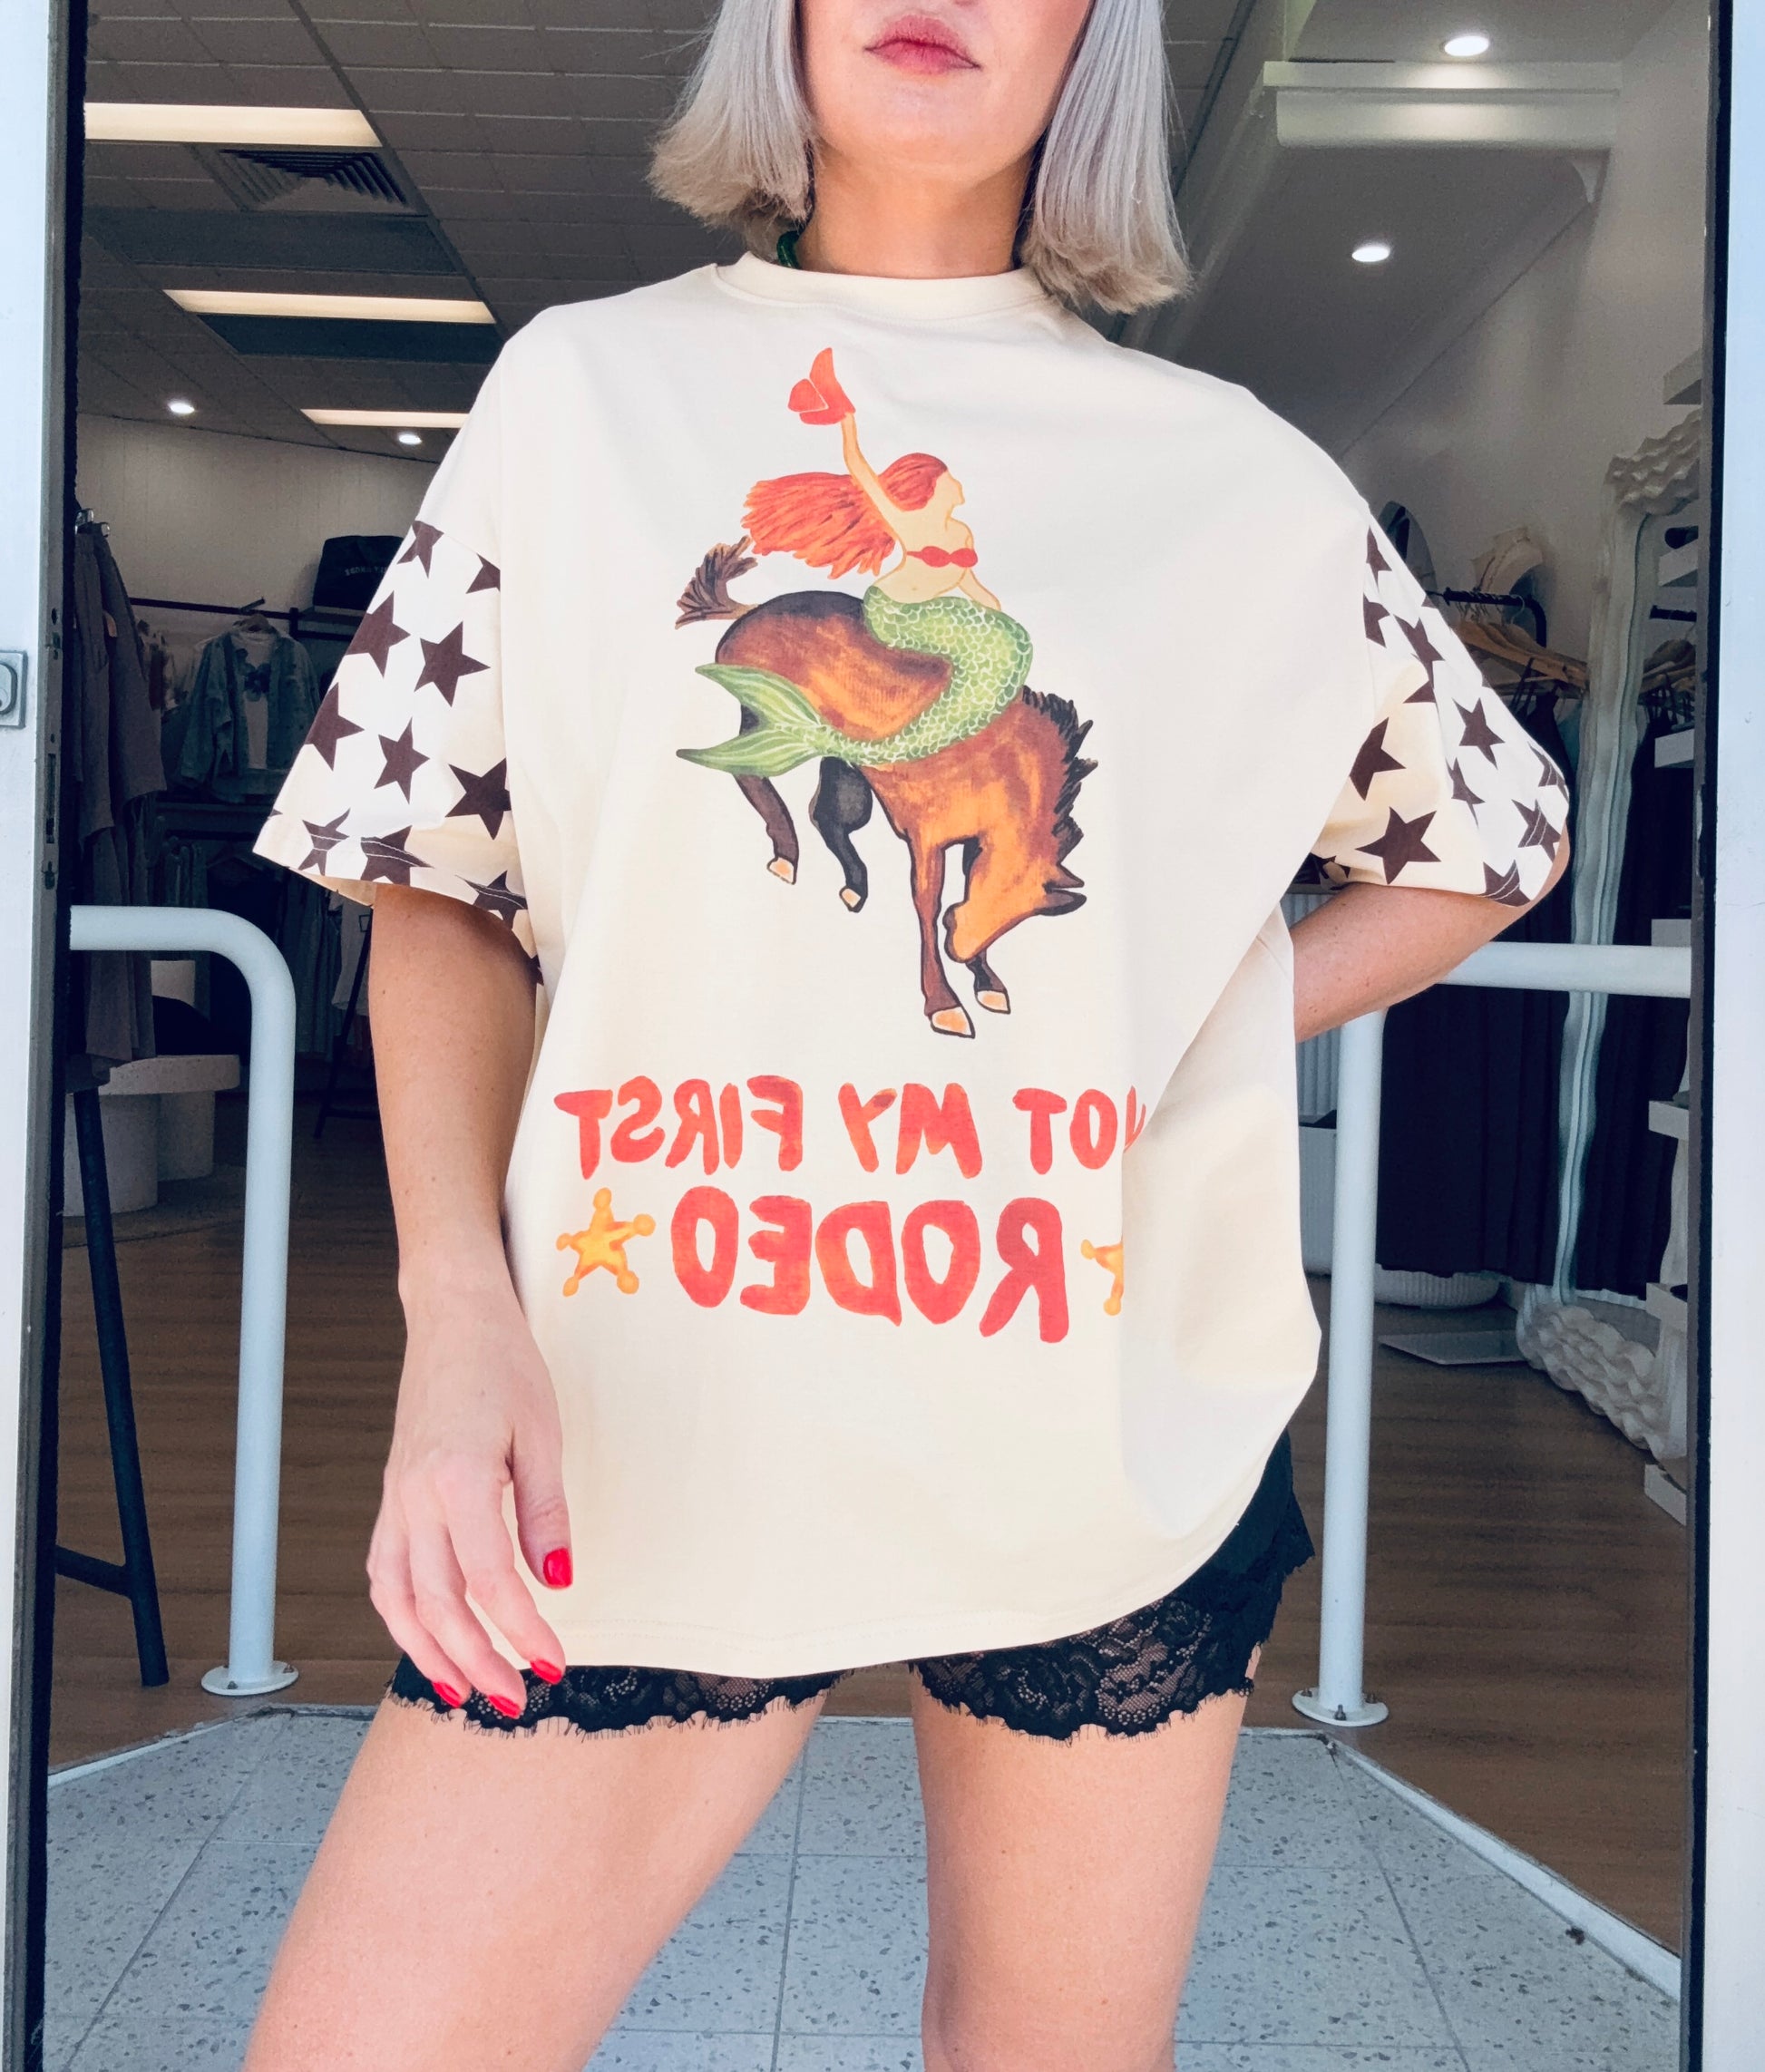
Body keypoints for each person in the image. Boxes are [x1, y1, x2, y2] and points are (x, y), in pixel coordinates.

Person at [245, 2, 1569, 2067]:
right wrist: (454, 1307)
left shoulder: (1235, 470)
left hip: (1092, 1407)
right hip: (648, 1404)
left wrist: (1193, 1022)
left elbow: (1489, 841)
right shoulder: (578, 390)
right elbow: (430, 878)